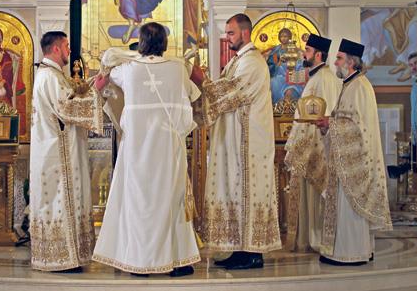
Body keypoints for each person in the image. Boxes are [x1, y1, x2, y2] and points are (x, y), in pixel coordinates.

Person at [92, 22, 201, 277]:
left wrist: (132, 56)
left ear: (141, 43)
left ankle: (139, 262)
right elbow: (193, 96)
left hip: (136, 148)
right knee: (171, 200)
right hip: (168, 146)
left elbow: (106, 67)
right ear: (164, 43)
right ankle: (177, 261)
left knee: (138, 202)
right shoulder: (177, 68)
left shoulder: (128, 70)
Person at [191, 14, 281, 270]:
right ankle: (238, 248)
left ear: (245, 32)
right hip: (236, 141)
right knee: (235, 192)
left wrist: (201, 80)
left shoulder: (252, 62)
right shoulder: (237, 61)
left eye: (231, 33)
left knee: (248, 193)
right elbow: (222, 92)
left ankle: (253, 253)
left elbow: (230, 94)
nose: (227, 38)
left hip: (249, 144)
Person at [29, 31, 102, 272]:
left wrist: (91, 85)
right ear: (56, 48)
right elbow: (67, 107)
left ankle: (69, 256)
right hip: (56, 154)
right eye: (66, 46)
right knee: (58, 200)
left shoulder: (53, 75)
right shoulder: (49, 76)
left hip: (55, 149)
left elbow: (72, 94)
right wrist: (98, 90)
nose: (69, 50)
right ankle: (61, 258)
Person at [316, 39, 392, 265]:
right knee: (343, 207)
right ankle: (347, 250)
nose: (335, 63)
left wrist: (331, 124)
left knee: (349, 208)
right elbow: (344, 119)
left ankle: (350, 253)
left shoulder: (360, 86)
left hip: (354, 163)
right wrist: (329, 124)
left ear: (351, 62)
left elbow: (359, 127)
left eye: (339, 59)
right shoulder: (349, 85)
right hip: (343, 158)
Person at [284, 34, 341, 253]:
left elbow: (322, 116)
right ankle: (307, 239)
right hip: (308, 145)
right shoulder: (317, 78)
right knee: (308, 196)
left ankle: (316, 239)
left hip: (315, 148)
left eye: (307, 50)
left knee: (315, 197)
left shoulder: (323, 79)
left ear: (318, 55)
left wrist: (309, 148)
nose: (303, 54)